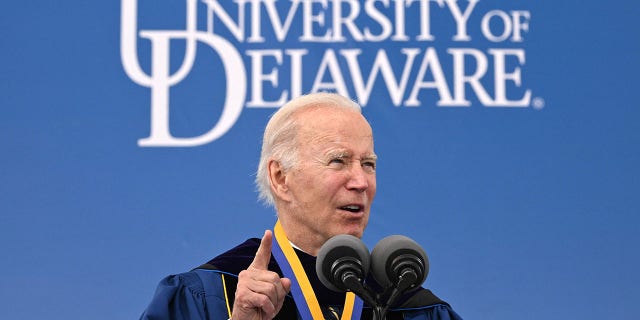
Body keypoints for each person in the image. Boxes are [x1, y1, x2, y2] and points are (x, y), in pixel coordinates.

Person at [140, 92, 462, 320]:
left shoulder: (409, 306)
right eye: (338, 161)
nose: (361, 181)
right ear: (281, 178)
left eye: (368, 164)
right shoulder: (211, 295)